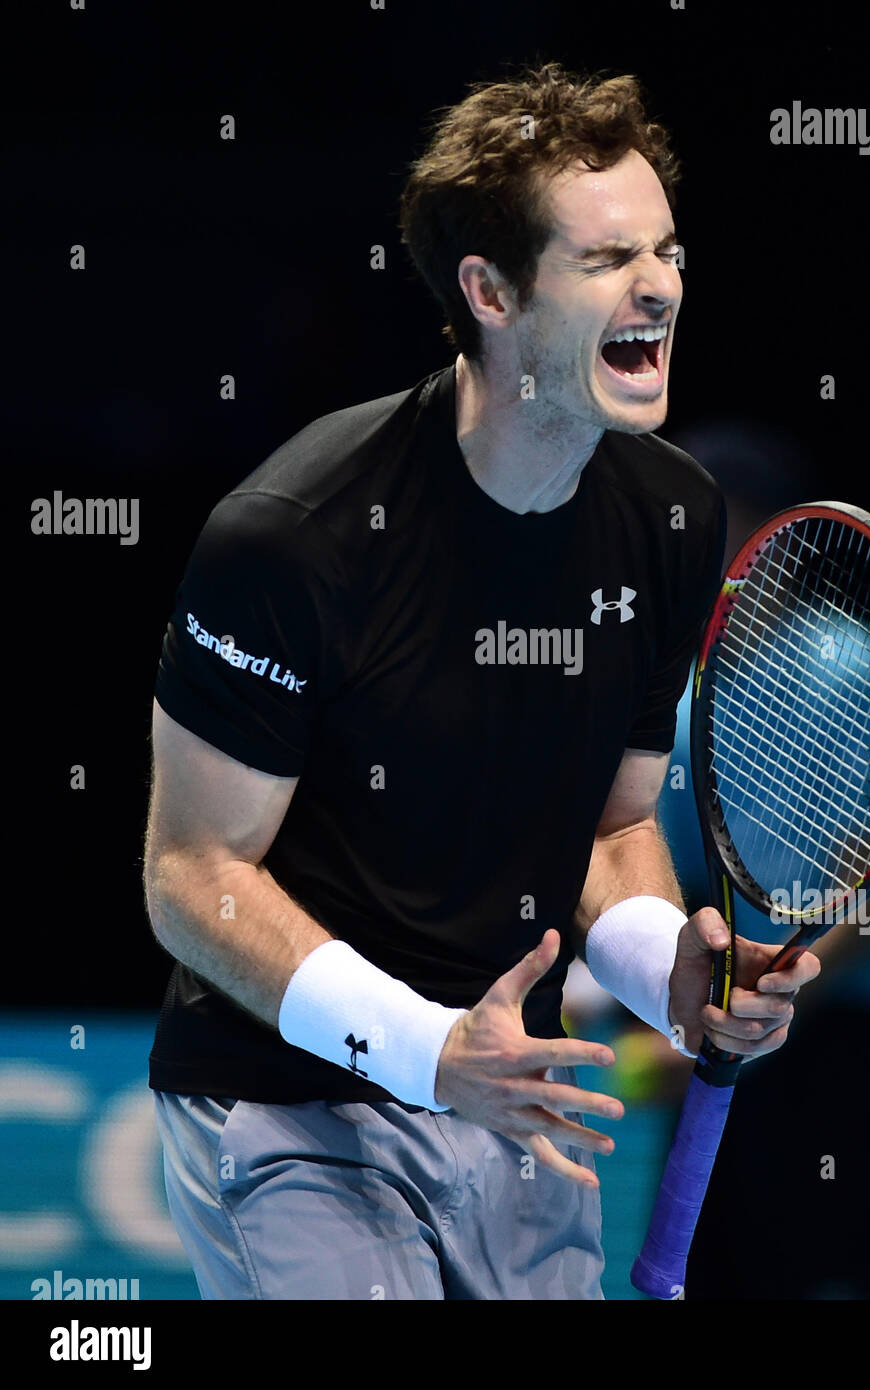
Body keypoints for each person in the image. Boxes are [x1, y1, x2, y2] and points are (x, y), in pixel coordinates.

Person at [144, 60, 820, 1301]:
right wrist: (427, 1050)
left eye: (666, 251)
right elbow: (192, 876)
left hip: (519, 1097)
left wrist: (674, 972)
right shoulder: (297, 534)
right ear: (491, 291)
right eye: (609, 259)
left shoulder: (671, 519)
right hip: (300, 1106)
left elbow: (613, 831)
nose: (660, 286)